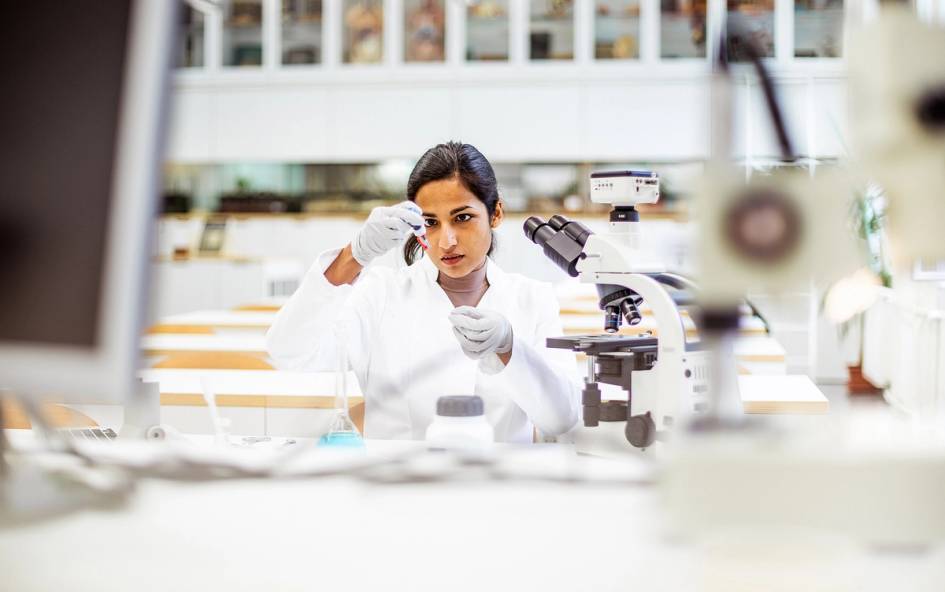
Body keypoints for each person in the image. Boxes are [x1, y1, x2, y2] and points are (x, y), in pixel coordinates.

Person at [266, 142, 579, 442]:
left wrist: (510, 349)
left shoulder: (533, 299)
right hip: (395, 486)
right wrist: (354, 256)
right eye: (430, 222)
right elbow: (289, 353)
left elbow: (561, 418)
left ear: (495, 213)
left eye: (463, 218)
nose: (447, 241)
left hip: (499, 485)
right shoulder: (381, 294)